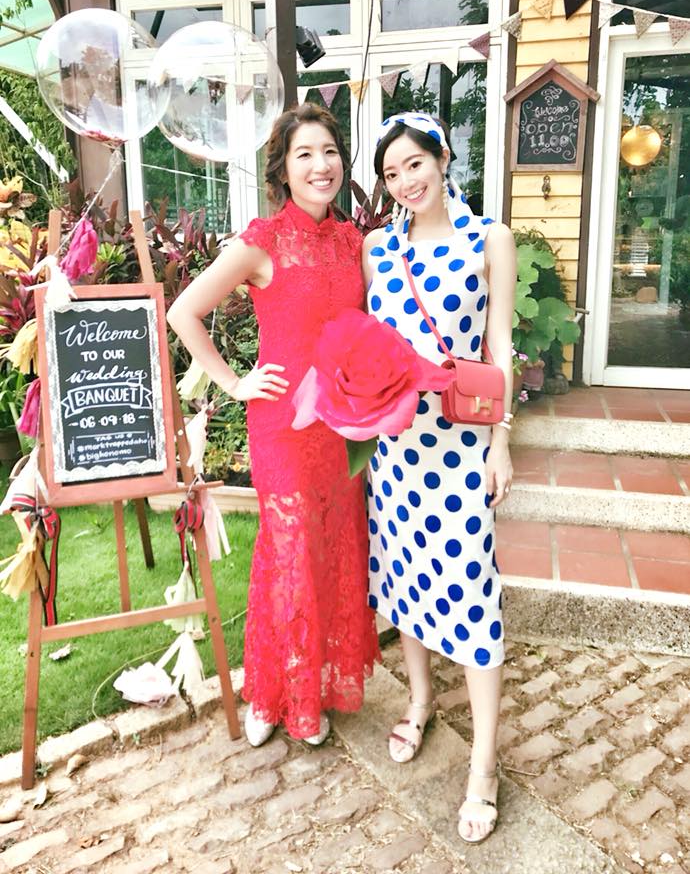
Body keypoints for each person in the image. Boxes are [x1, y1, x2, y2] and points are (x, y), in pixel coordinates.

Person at [168, 103, 379, 747]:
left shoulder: (354, 242)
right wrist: (234, 382)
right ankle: (272, 693)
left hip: (341, 423)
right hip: (283, 424)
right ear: (283, 170)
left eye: (330, 152)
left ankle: (316, 685)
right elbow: (183, 312)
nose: (321, 165)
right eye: (304, 154)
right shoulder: (262, 241)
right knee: (288, 555)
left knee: (333, 547)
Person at [363, 112, 515, 844]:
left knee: (473, 592)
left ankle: (483, 764)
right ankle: (420, 700)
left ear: (444, 157)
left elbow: (500, 344)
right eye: (391, 173)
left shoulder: (490, 239)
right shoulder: (377, 248)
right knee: (404, 578)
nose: (405, 182)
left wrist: (501, 441)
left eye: (415, 164)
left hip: (460, 445)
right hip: (395, 448)